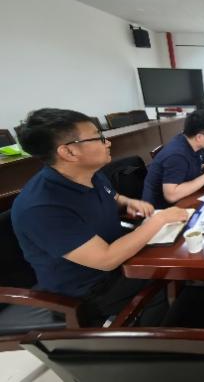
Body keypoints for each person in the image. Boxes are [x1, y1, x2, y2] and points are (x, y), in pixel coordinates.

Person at [11, 108, 188, 326]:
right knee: (173, 272)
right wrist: (159, 220)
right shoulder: (42, 207)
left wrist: (127, 202)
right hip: (90, 291)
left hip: (119, 258)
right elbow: (105, 260)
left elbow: (112, 196)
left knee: (180, 255)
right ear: (69, 152)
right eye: (99, 137)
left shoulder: (89, 174)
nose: (108, 142)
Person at [142, 110, 204, 209]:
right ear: (199, 137)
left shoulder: (194, 143)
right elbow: (171, 196)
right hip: (161, 210)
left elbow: (203, 164)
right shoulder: (177, 155)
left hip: (184, 199)